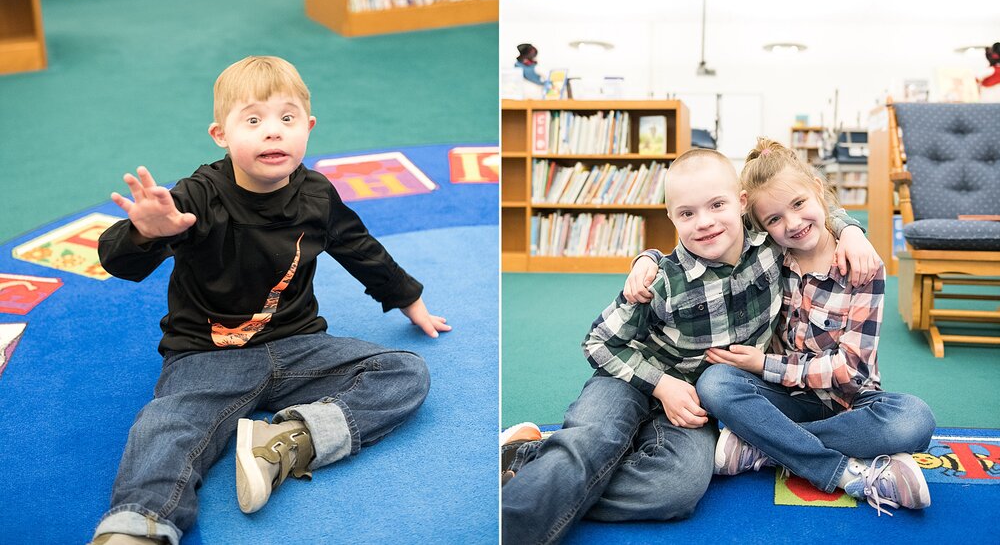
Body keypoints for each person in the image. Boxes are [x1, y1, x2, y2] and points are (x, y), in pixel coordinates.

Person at [89, 56, 449, 545]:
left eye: (287, 118)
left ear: (309, 127)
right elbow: (117, 261)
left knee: (406, 373)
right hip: (206, 356)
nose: (273, 133)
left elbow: (358, 247)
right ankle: (140, 524)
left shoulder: (318, 194)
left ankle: (285, 443)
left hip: (299, 347)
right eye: (253, 120)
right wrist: (144, 234)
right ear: (221, 134)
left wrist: (409, 298)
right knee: (166, 424)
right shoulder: (197, 196)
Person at [500, 148, 880, 544]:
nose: (705, 223)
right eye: (687, 214)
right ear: (672, 218)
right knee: (589, 442)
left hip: (694, 405)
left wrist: (851, 230)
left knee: (676, 489)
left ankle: (532, 463)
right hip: (630, 380)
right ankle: (525, 511)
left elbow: (802, 208)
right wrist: (661, 384)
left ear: (742, 205)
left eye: (718, 205)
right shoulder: (660, 279)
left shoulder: (772, 247)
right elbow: (598, 342)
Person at [695, 138, 935, 516]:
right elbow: (709, 230)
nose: (792, 223)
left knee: (915, 419)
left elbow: (852, 372)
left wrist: (852, 231)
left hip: (851, 404)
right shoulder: (770, 255)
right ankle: (840, 467)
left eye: (799, 204)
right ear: (761, 226)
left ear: (818, 191)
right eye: (773, 219)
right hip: (787, 399)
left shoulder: (861, 266)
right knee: (715, 382)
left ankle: (763, 446)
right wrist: (650, 259)